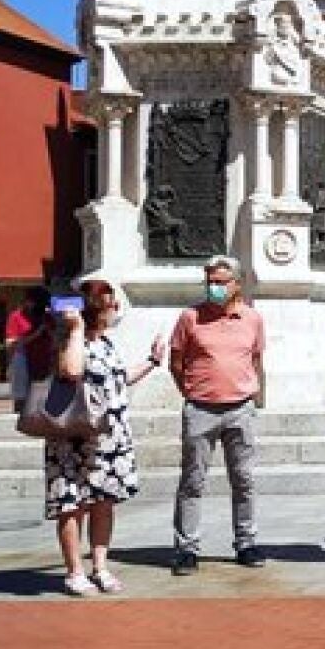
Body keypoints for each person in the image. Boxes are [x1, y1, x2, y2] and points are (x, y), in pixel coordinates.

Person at [46, 279, 162, 597]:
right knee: (72, 504)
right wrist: (76, 328)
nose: (116, 310)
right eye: (112, 304)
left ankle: (100, 565)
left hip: (108, 438)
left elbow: (119, 381)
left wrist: (152, 362)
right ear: (97, 308)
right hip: (75, 437)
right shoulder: (70, 339)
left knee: (103, 503)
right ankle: (74, 572)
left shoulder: (106, 343)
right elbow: (71, 371)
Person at [167, 256, 267, 576]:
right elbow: (176, 361)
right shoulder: (190, 318)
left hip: (240, 408)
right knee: (192, 481)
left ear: (236, 284)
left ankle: (246, 542)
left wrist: (257, 399)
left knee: (245, 479)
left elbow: (257, 361)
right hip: (201, 409)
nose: (215, 287)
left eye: (221, 282)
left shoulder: (252, 319)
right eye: (210, 281)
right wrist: (191, 393)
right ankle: (186, 549)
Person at [4, 286, 56, 413]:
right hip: (24, 358)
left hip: (45, 359)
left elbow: (56, 339)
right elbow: (10, 344)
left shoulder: (48, 317)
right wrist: (36, 333)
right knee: (21, 396)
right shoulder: (16, 316)